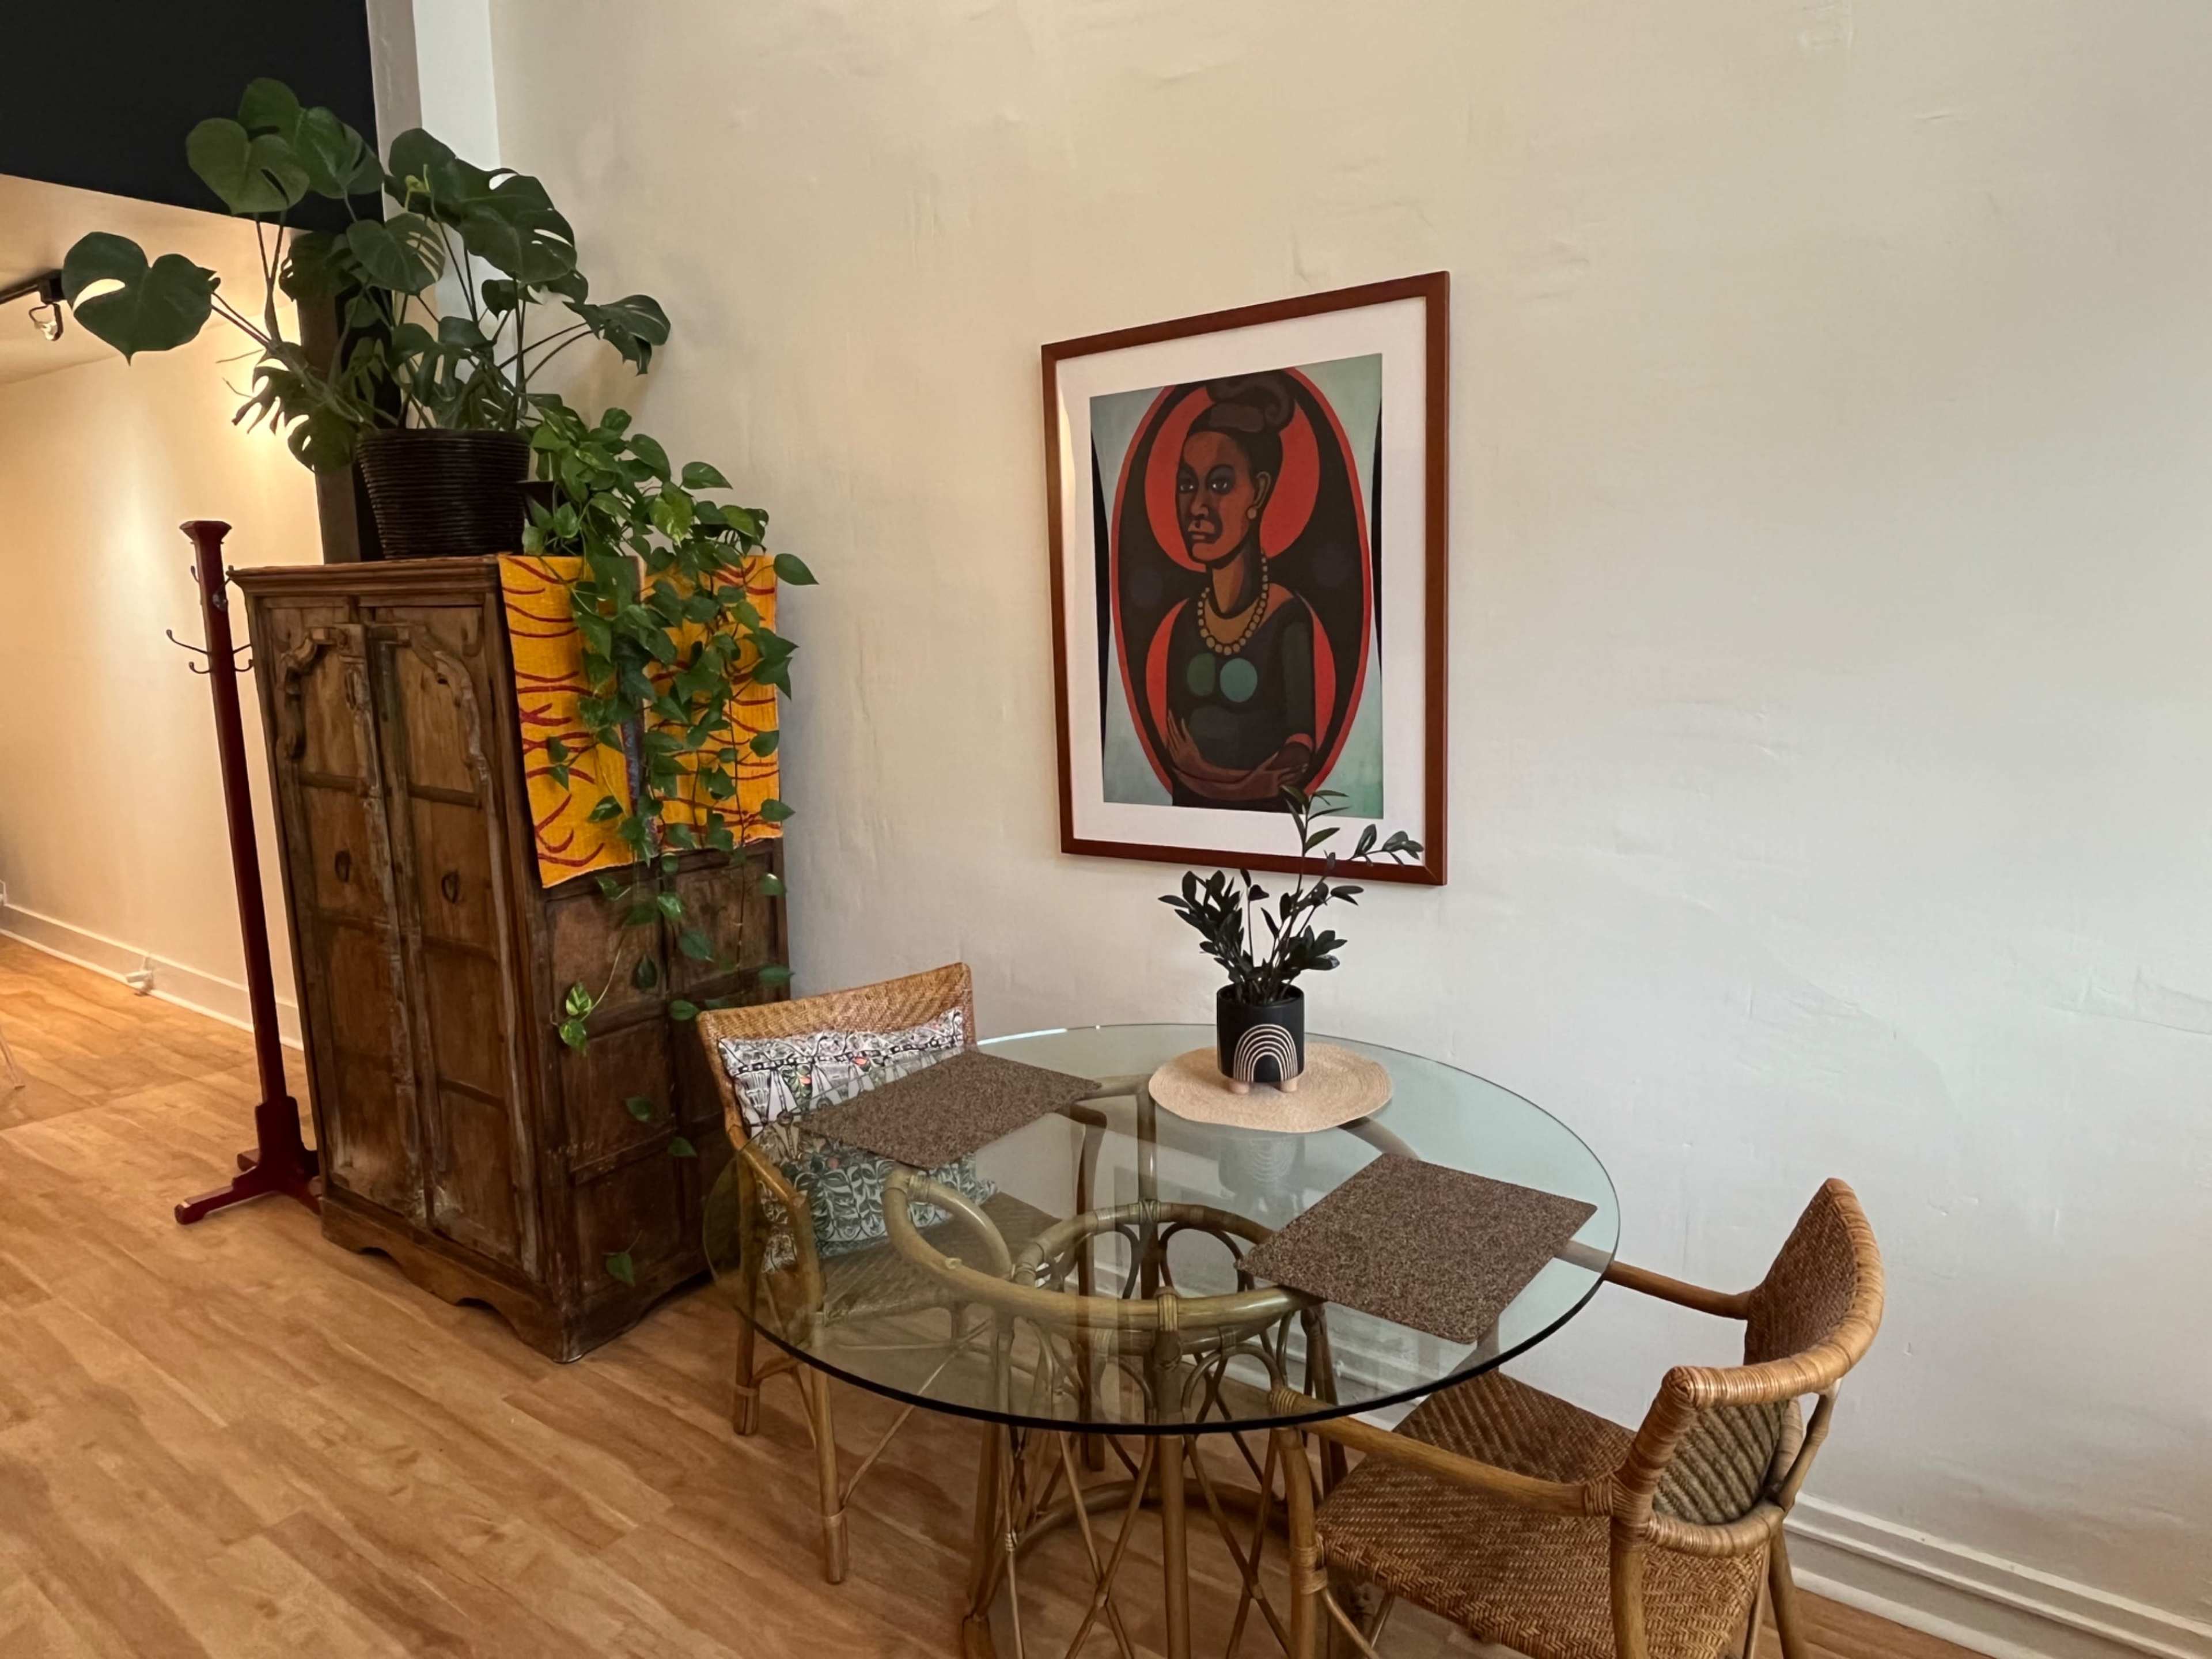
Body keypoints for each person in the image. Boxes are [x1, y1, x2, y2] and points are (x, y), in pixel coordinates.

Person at [1149, 375, 1325, 806]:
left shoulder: (1287, 618)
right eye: (1188, 485)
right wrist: (1242, 782)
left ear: (1259, 492)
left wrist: (1216, 779)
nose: (1197, 508)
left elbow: (1298, 755)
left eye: (1221, 485)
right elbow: (1175, 756)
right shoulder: (1186, 622)